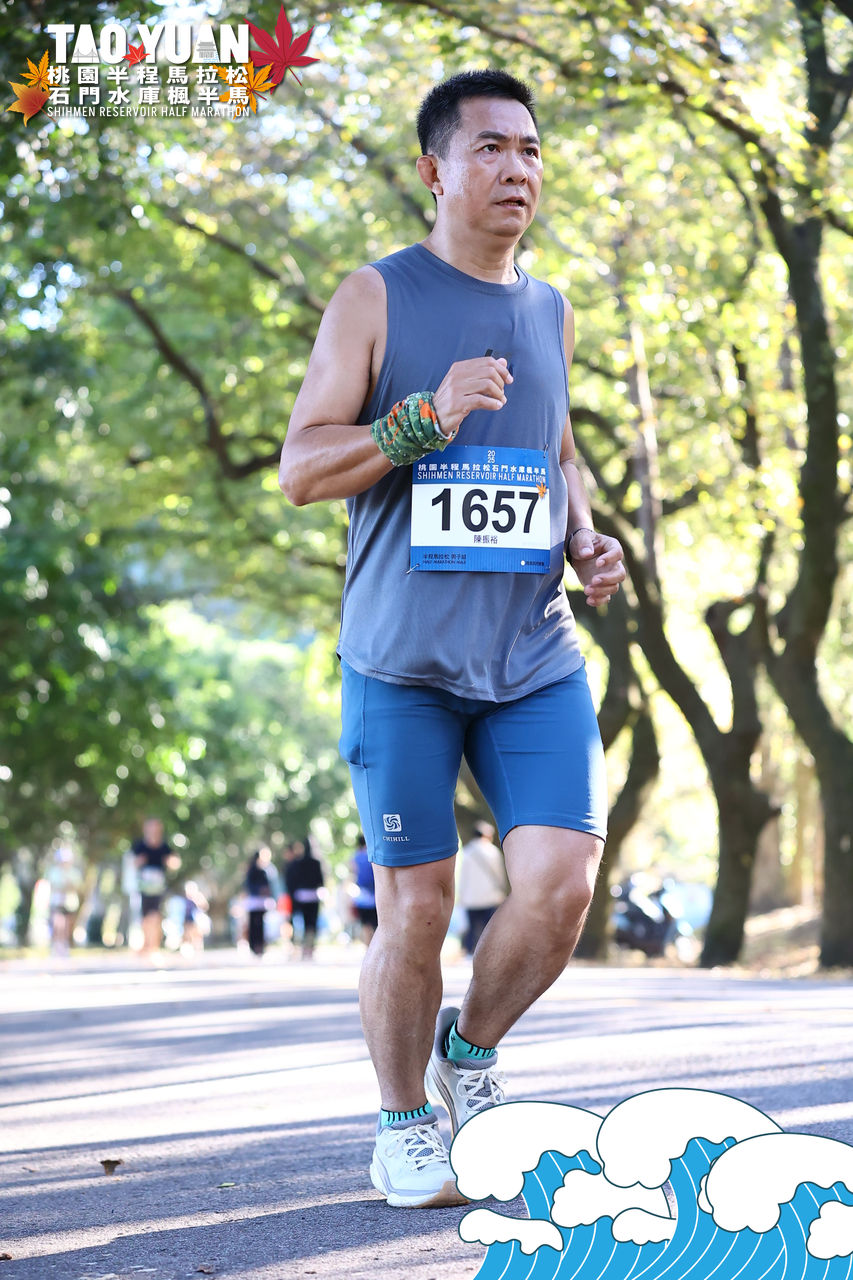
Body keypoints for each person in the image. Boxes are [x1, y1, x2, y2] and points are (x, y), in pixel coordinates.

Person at [279, 68, 625, 1209]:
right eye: (489, 149)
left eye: (529, 150)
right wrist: (422, 418)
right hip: (403, 662)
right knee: (417, 904)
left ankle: (466, 1056)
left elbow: (556, 452)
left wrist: (583, 536)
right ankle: (401, 1127)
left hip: (531, 653)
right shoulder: (375, 297)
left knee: (561, 884)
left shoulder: (550, 309)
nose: (516, 169)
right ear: (434, 170)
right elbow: (301, 467)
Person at [457, 822, 509, 955]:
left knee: (472, 928)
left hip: (471, 898)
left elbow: (463, 877)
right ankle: (489, 953)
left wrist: (462, 896)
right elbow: (500, 875)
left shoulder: (467, 852)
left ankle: (469, 953)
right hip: (490, 897)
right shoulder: (493, 852)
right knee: (489, 929)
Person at [131, 817, 180, 954]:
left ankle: (153, 946)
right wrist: (139, 861)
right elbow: (133, 862)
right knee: (146, 916)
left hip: (158, 886)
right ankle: (146, 944)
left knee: (155, 915)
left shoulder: (164, 847)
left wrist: (170, 862)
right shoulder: (140, 845)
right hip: (144, 886)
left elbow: (175, 862)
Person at [284, 838, 325, 960]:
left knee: (301, 922)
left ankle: (301, 947)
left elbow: (292, 881)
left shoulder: (297, 863)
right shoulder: (316, 863)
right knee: (311, 923)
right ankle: (309, 947)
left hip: (301, 897)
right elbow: (321, 881)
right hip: (313, 896)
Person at [46, 847, 83, 955]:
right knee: (58, 924)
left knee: (67, 925)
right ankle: (56, 946)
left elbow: (77, 887)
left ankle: (64, 945)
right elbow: (52, 886)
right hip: (57, 902)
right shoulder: (54, 872)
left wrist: (67, 887)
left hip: (70, 903)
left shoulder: (74, 873)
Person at [244, 847, 274, 957]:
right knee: (254, 925)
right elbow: (249, 886)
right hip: (254, 901)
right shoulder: (252, 871)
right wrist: (259, 890)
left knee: (260, 924)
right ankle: (254, 946)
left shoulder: (264, 871)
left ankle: (260, 945)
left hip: (261, 902)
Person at [351, 833, 378, 944]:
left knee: (366, 926)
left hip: (362, 897)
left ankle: (368, 948)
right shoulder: (374, 854)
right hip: (376, 896)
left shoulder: (355, 857)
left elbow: (354, 874)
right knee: (377, 927)